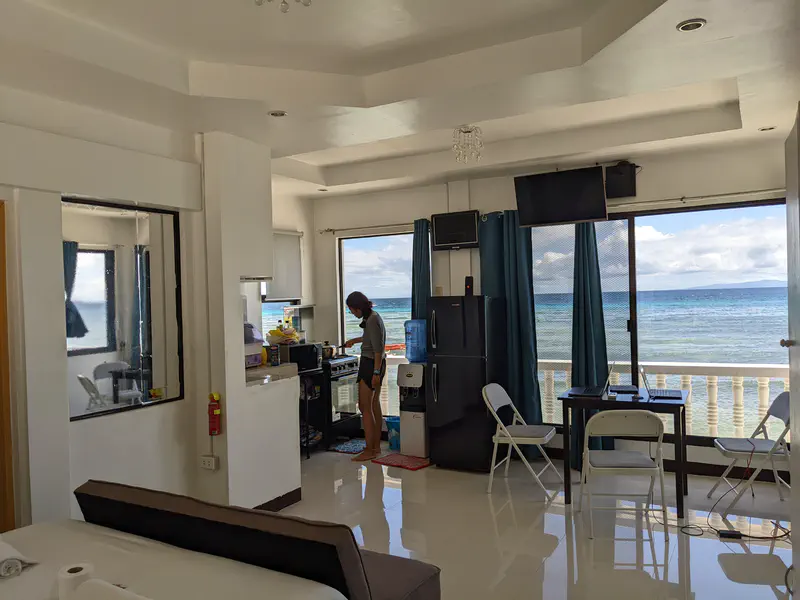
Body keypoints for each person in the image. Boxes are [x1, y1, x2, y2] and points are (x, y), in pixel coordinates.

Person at [344, 291, 386, 461]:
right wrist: (354, 341)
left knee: (364, 406)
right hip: (376, 364)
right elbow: (370, 338)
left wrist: (375, 372)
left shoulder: (372, 319)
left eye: (352, 310)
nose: (352, 313)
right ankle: (375, 447)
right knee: (374, 405)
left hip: (371, 364)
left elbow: (378, 349)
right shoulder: (373, 317)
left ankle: (369, 449)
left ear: (358, 307)